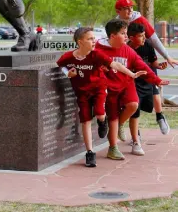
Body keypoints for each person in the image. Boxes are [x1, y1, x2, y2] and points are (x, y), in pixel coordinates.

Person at [57, 27, 147, 167]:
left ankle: (102, 121)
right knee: (85, 120)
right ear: (80, 42)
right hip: (82, 93)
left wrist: (131, 74)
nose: (94, 41)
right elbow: (59, 65)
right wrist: (67, 73)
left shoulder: (97, 54)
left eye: (94, 38)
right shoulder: (69, 56)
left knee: (99, 113)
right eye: (90, 39)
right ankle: (90, 153)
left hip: (99, 89)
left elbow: (114, 64)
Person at [96, 19, 169, 160]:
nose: (125, 37)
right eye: (123, 34)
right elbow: (90, 63)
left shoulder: (127, 50)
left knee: (133, 105)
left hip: (127, 84)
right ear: (112, 36)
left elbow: (143, 66)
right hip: (110, 88)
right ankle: (112, 148)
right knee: (113, 117)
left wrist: (157, 80)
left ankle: (120, 124)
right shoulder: (99, 49)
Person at [127, 22, 170, 155]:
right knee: (135, 108)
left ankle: (160, 117)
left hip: (148, 79)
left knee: (153, 98)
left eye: (144, 35)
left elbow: (153, 62)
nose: (144, 38)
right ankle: (136, 139)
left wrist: (159, 66)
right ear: (131, 37)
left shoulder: (148, 46)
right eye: (141, 36)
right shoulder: (126, 49)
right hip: (133, 82)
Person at [115, 0, 177, 67]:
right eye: (126, 8)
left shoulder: (140, 20)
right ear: (118, 11)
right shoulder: (115, 24)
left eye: (131, 7)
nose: (130, 10)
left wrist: (167, 56)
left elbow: (154, 39)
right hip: (127, 59)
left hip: (143, 56)